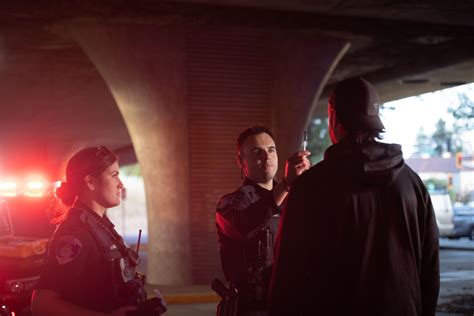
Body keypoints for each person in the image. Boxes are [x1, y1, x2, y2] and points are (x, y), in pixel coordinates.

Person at [269, 78, 440, 316]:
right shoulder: (412, 183)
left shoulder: (312, 186)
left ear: (335, 120)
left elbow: (288, 276)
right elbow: (429, 268)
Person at [31, 146, 164, 316]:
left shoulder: (100, 225)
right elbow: (42, 304)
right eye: (114, 175)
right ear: (90, 182)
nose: (121, 184)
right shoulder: (75, 234)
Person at [215, 126, 310, 315]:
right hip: (249, 308)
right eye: (257, 152)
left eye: (271, 150)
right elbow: (244, 225)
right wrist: (285, 185)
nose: (267, 157)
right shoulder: (231, 204)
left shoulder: (293, 198)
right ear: (241, 161)